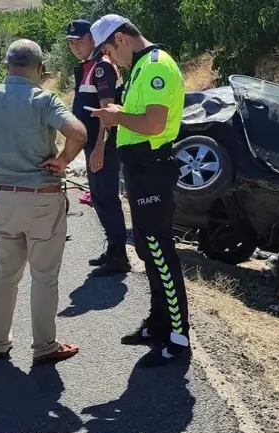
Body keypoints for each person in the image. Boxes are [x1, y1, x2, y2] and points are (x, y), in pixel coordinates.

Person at [0, 39, 87, 365]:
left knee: (5, 274)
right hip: (42, 199)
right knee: (44, 276)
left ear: (7, 66)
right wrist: (62, 161)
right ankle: (44, 346)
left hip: (4, 197)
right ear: (39, 68)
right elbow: (78, 132)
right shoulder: (43, 99)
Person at [89, 15, 191, 367]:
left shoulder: (154, 65)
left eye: (108, 50)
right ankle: (159, 322)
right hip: (139, 168)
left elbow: (154, 124)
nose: (109, 58)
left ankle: (179, 336)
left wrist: (117, 117)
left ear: (120, 38)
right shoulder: (139, 69)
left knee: (160, 251)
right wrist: (117, 115)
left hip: (152, 169)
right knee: (149, 251)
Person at [66, 19, 130, 276]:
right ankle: (113, 250)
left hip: (101, 145)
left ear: (93, 39)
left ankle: (119, 256)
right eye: (71, 43)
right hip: (92, 144)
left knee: (106, 197)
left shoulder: (101, 68)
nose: (75, 47)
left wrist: (100, 149)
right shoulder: (88, 66)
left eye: (80, 41)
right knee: (100, 198)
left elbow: (107, 112)